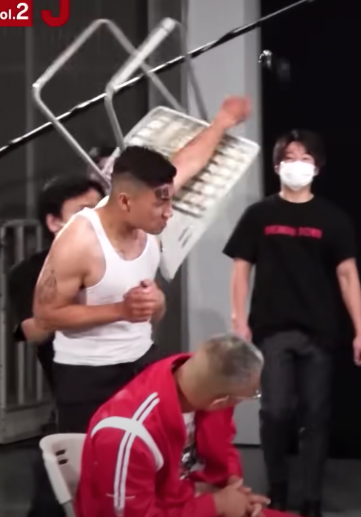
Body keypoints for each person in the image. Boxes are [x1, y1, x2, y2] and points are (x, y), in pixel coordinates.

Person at [32, 95, 251, 434]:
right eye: (160, 205)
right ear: (125, 201)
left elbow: (189, 161)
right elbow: (45, 315)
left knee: (150, 455)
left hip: (143, 362)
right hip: (88, 374)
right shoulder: (79, 241)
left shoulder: (149, 205)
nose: (169, 212)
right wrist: (121, 310)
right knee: (94, 462)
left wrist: (223, 120)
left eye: (169, 200)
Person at [224, 129, 361, 517]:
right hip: (272, 329)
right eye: (290, 158)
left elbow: (348, 275)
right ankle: (278, 489)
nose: (297, 165)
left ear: (317, 167)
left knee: (316, 417)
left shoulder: (333, 218)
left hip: (319, 331)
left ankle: (311, 500)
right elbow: (241, 268)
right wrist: (239, 319)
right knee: (275, 412)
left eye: (305, 159)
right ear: (277, 166)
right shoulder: (259, 215)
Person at [76, 333, 289, 517]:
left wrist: (232, 485)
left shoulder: (198, 379)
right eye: (252, 395)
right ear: (220, 402)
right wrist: (217, 505)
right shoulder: (127, 436)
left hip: (188, 499)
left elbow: (222, 446)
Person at [8, 175, 105, 395]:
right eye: (84, 212)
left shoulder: (122, 257)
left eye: (101, 211)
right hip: (74, 384)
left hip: (132, 374)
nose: (97, 220)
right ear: (54, 222)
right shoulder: (28, 272)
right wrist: (70, 303)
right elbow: (30, 332)